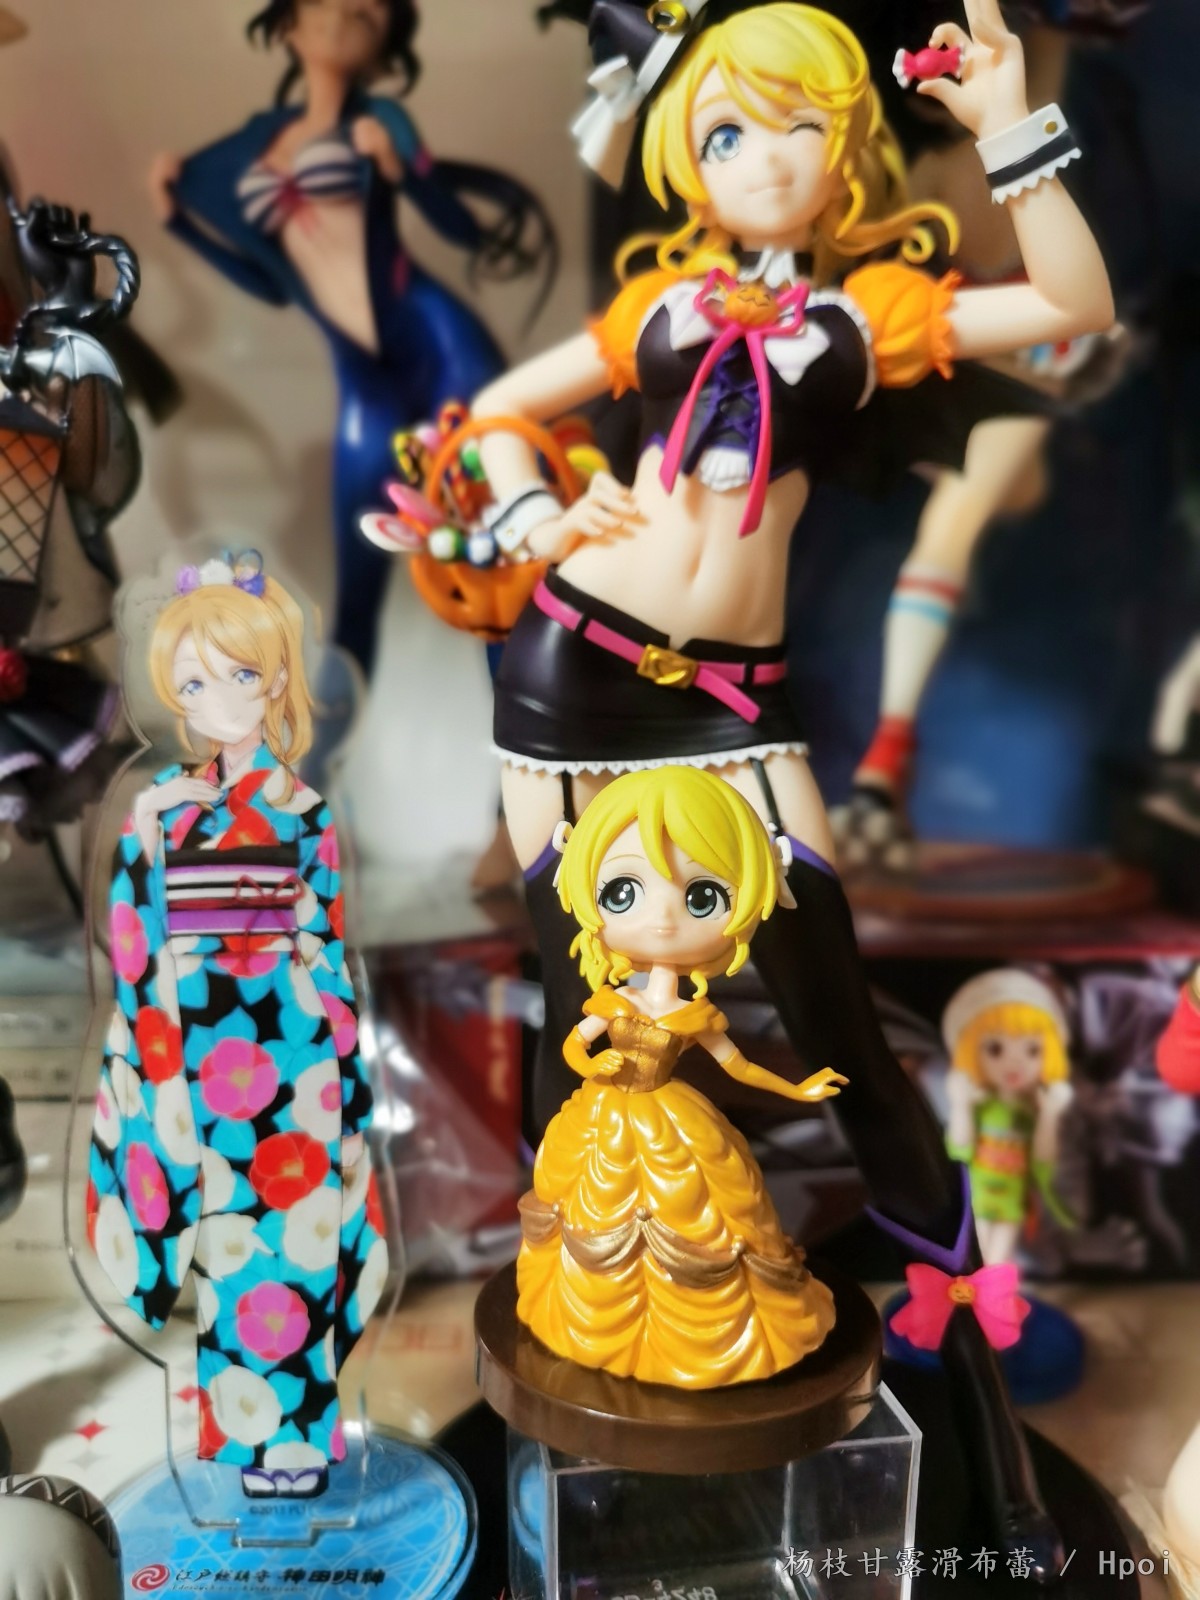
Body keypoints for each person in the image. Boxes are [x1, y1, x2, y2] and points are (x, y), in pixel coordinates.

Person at [472, 0, 1114, 1569]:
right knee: (593, 1022)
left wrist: (1010, 127)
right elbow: (493, 418)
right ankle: (605, 1363)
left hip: (737, 713)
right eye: (727, 128)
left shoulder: (869, 316)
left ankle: (978, 1416)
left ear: (850, 149)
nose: (762, 159)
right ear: (685, 154)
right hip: (570, 678)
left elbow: (1073, 302)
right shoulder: (657, 309)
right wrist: (534, 520)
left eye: (800, 125)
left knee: (842, 1026)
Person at [87, 556, 386, 1499]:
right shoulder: (162, 809)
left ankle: (296, 1439)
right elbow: (131, 942)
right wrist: (149, 1054)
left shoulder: (304, 811)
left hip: (292, 1051)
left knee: (297, 1242)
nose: (215, 700)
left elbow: (325, 935)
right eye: (192, 684)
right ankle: (242, 1435)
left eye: (238, 674)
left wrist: (341, 1047)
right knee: (226, 1249)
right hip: (193, 1043)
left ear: (278, 676)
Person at [149, 0, 554, 680]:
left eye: (365, 14)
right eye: (324, 4)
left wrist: (399, 170)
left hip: (442, 346)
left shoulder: (382, 119)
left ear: (385, 45)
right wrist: (179, 223)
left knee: (499, 548)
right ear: (287, 22)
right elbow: (274, 285)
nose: (340, 18)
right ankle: (328, 736)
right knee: (358, 576)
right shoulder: (252, 143)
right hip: (365, 380)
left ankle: (527, 723)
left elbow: (461, 228)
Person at [519, 766, 845, 1387]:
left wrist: (798, 1088)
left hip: (671, 1117)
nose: (663, 921)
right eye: (624, 892)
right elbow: (573, 1045)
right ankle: (586, 1322)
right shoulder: (615, 1000)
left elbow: (738, 1065)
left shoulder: (695, 1015)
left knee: (707, 1216)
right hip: (604, 1114)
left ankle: (712, 1340)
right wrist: (593, 1063)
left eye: (701, 898)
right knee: (586, 1210)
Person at [942, 969, 1075, 1265]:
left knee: (998, 1262)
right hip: (977, 1197)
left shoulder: (1030, 1113)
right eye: (995, 1048)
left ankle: (994, 1295)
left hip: (1012, 1200)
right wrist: (961, 1106)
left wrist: (1049, 1116)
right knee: (976, 1259)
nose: (1015, 1062)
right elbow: (959, 1151)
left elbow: (1042, 1161)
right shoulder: (980, 1106)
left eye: (1033, 1050)